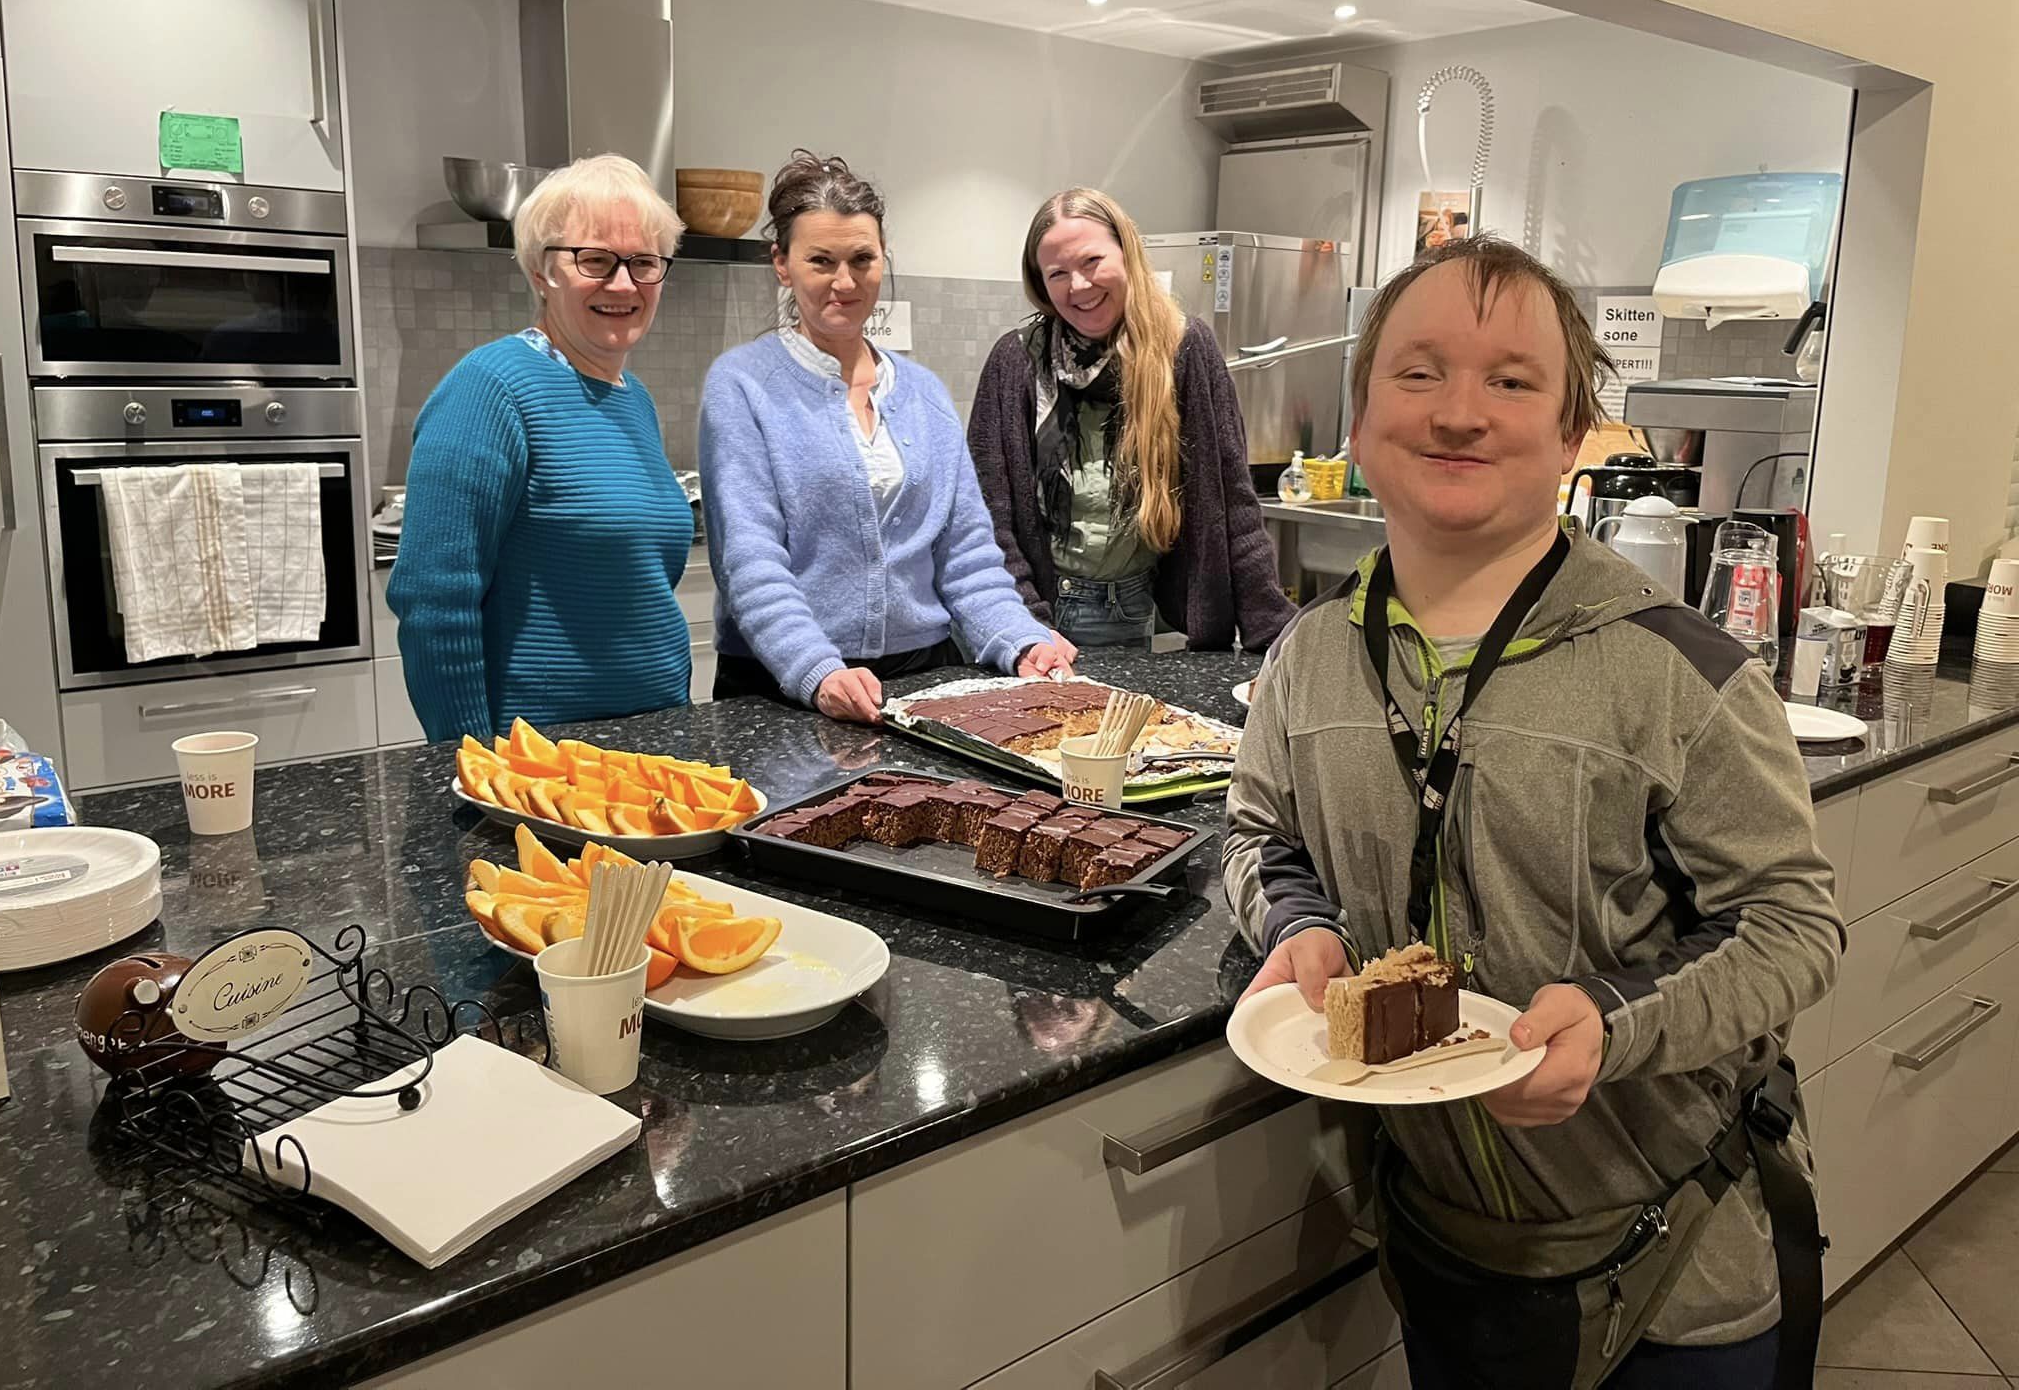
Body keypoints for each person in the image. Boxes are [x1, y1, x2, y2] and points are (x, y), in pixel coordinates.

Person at [1223, 236, 1843, 1389]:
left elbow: (1794, 927)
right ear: (1356, 423)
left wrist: (1611, 1024)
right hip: (1442, 1252)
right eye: (1417, 373)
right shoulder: (1307, 660)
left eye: (1511, 380)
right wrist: (1293, 925)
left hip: (1673, 1270)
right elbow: (1258, 832)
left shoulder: (1676, 671)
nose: (1460, 413)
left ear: (1568, 438)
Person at [698, 152, 1068, 724]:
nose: (844, 282)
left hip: (925, 679)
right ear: (782, 263)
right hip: (780, 688)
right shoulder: (743, 385)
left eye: (862, 259)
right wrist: (817, 670)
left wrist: (1022, 639)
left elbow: (966, 556)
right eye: (820, 260)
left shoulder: (923, 392)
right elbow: (750, 562)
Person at [387, 154, 694, 742]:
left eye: (644, 263)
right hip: (541, 764)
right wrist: (474, 766)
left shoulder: (636, 400)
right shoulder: (490, 388)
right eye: (595, 260)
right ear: (539, 270)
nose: (624, 283)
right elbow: (433, 603)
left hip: (657, 744)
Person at [967, 187, 1293, 651]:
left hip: (1143, 611)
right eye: (1058, 273)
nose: (1078, 286)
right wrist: (1024, 628)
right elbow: (987, 514)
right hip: (1037, 615)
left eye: (1092, 262)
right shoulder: (1016, 360)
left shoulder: (1183, 348)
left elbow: (1231, 500)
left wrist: (1274, 634)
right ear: (1040, 284)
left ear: (1128, 253)